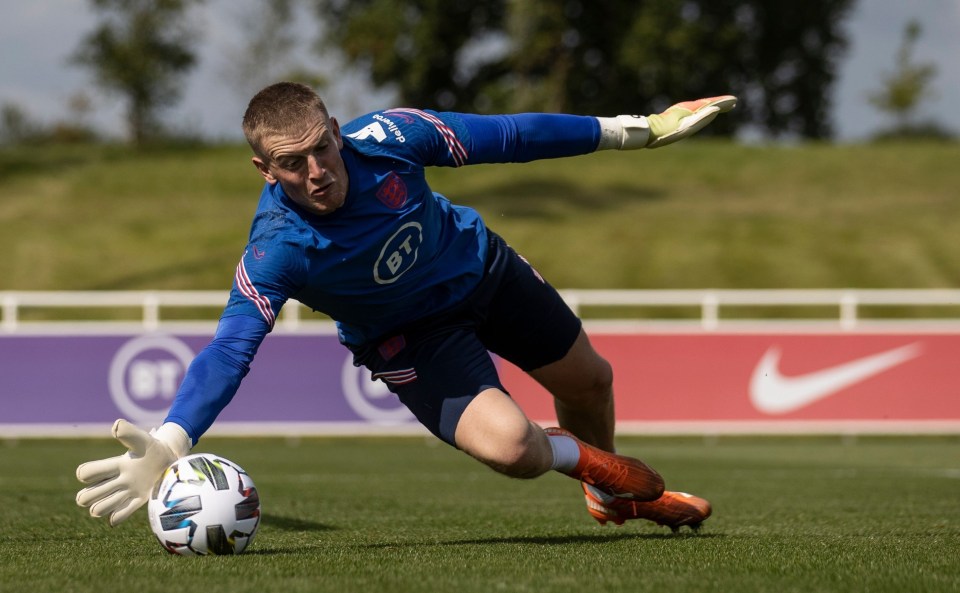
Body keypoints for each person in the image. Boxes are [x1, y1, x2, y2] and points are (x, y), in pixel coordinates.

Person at [76, 82, 736, 532]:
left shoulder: (392, 136)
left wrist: (638, 130)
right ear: (263, 170)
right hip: (410, 338)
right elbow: (229, 349)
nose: (315, 170)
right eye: (291, 162)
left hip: (483, 271)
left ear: (337, 131)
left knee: (593, 380)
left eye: (321, 148)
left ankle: (605, 488)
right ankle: (586, 463)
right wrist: (169, 439)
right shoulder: (277, 250)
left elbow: (509, 134)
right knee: (513, 450)